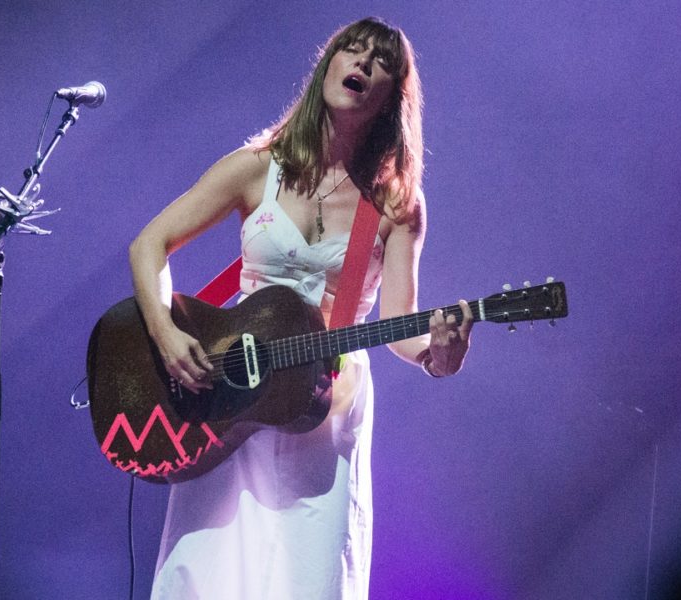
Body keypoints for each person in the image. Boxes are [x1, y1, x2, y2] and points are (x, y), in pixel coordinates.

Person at [128, 17, 473, 600]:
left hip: (326, 410)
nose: (362, 64)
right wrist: (166, 333)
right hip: (232, 392)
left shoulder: (395, 206)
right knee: (207, 573)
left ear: (393, 96)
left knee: (305, 579)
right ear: (328, 64)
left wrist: (441, 353)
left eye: (380, 61)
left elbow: (402, 327)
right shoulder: (258, 166)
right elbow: (148, 245)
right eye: (352, 50)